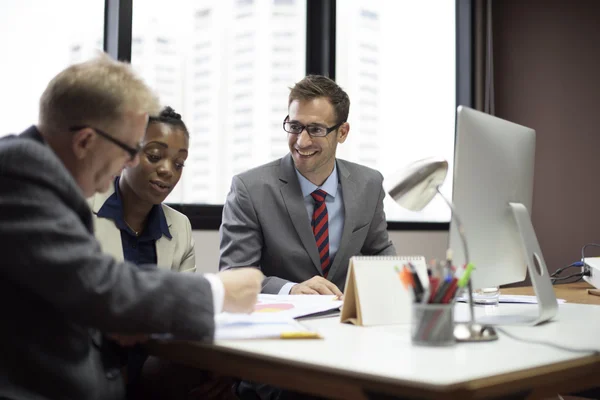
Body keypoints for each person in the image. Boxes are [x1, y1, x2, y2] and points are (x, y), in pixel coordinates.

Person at [0, 54, 262, 400]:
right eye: (129, 149)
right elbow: (96, 286)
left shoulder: (44, 179)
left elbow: (74, 291)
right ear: (85, 142)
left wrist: (125, 320)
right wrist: (219, 291)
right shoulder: (21, 172)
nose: (131, 163)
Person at [219, 74, 397, 297]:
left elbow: (378, 252)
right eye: (295, 126)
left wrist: (409, 283)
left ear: (342, 132)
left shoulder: (369, 184)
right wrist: (290, 289)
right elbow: (235, 273)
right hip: (281, 321)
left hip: (345, 320)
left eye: (316, 129)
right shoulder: (249, 189)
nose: (302, 141)